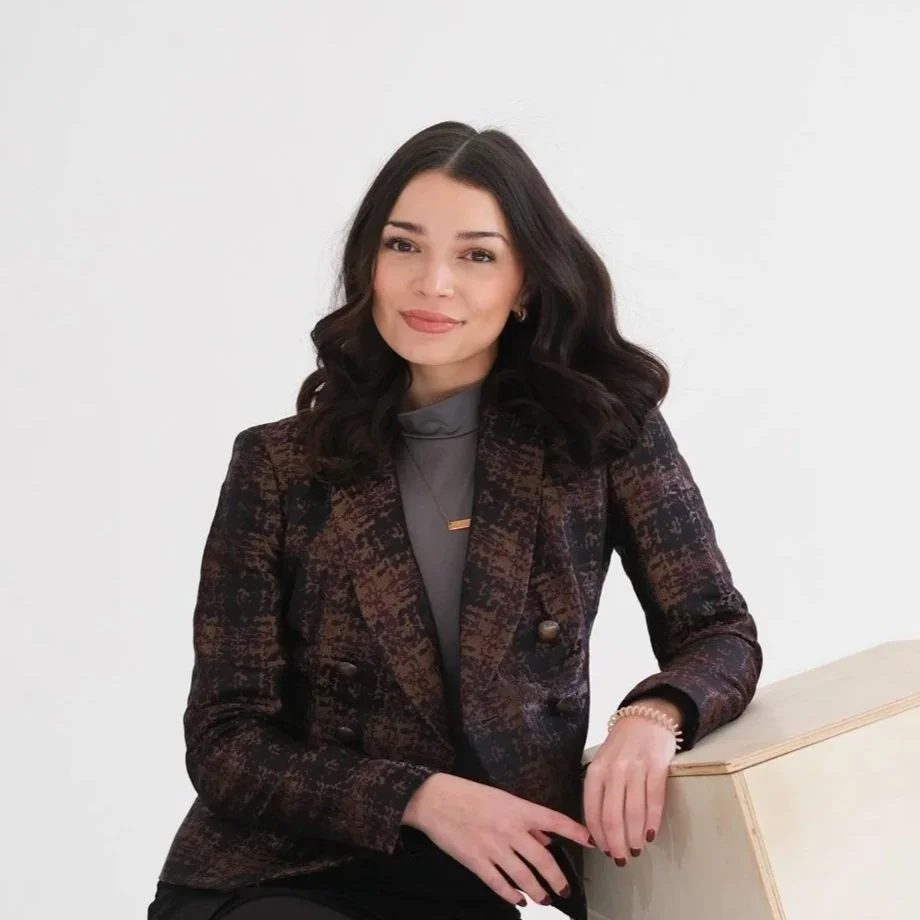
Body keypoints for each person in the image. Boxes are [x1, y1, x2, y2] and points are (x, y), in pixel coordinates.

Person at [146, 120, 763, 920]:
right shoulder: (280, 467)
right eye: (404, 246)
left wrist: (653, 718)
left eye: (476, 255)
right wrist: (423, 797)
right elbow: (228, 740)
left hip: (481, 881)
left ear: (527, 286)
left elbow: (718, 629)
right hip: (280, 871)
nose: (432, 283)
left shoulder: (601, 436)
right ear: (368, 262)